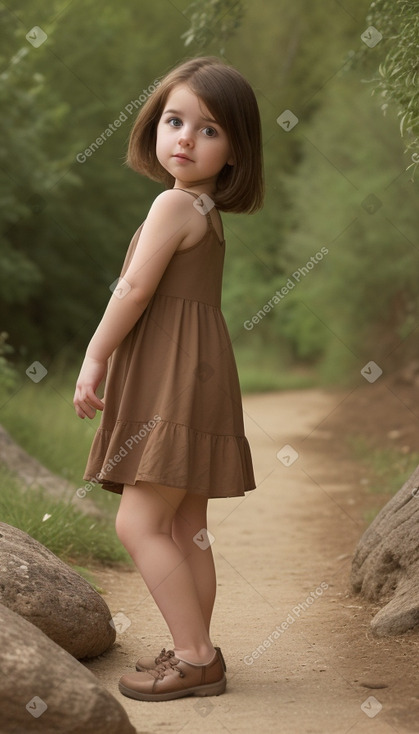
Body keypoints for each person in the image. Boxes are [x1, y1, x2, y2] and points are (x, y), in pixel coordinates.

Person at [73, 55, 264, 702]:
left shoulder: (172, 205)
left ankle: (194, 655)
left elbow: (131, 291)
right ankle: (196, 649)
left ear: (235, 150)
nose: (185, 137)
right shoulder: (205, 211)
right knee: (186, 527)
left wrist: (96, 354)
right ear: (153, 126)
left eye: (208, 130)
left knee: (139, 524)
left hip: (171, 378)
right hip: (200, 373)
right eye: (174, 120)